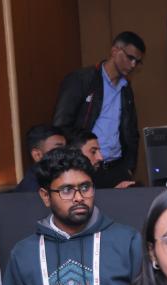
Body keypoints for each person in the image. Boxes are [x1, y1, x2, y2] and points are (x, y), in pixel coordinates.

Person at [1, 147, 141, 285]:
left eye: (85, 187)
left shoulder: (127, 240)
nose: (79, 197)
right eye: (66, 190)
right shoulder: (24, 253)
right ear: (45, 196)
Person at [53, 31, 144, 187]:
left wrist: (129, 168)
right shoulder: (81, 80)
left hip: (117, 168)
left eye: (137, 61)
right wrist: (77, 162)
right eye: (130, 58)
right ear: (114, 51)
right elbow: (60, 126)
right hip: (86, 168)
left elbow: (131, 131)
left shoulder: (126, 88)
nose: (133, 65)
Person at [64, 127, 136, 189]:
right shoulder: (63, 182)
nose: (100, 158)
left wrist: (114, 193)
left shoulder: (101, 178)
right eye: (93, 152)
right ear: (74, 153)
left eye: (99, 151)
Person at [15, 124, 65, 193]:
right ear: (37, 155)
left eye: (66, 148)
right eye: (59, 149)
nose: (67, 154)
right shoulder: (32, 191)